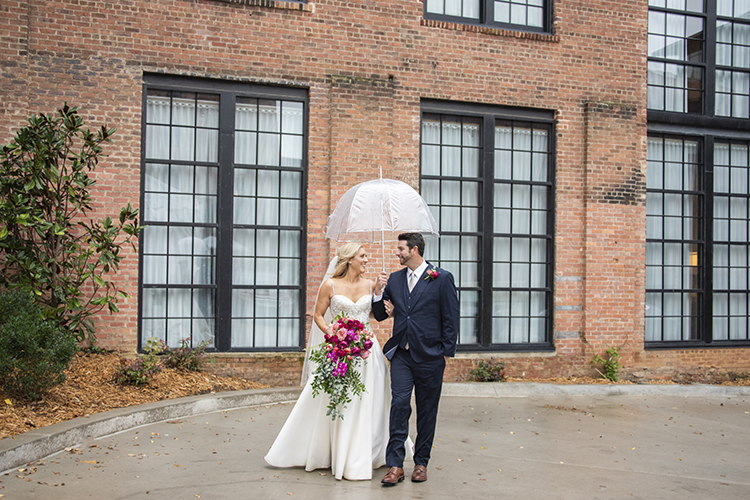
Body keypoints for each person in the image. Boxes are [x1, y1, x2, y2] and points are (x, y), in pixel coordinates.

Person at [264, 242, 411, 480]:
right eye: (362, 256)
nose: (366, 260)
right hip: (340, 350)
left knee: (370, 400)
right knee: (342, 401)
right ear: (349, 259)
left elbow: (375, 315)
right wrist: (334, 333)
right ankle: (336, 450)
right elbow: (319, 316)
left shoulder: (372, 284)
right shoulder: (329, 285)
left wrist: (385, 302)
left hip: (367, 351)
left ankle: (369, 450)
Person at [372, 232, 459, 485]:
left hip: (430, 356)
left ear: (415, 250)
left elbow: (451, 319)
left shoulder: (441, 278)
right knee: (399, 404)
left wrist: (444, 352)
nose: (397, 253)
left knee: (427, 410)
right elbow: (379, 315)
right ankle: (396, 465)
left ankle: (421, 462)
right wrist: (378, 293)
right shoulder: (395, 280)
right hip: (402, 354)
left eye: (401, 249)